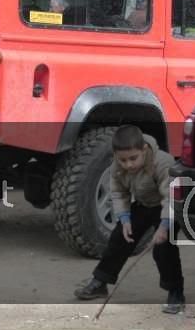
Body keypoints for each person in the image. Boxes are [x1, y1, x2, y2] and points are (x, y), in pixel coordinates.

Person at [74, 125, 186, 314]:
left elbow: (170, 198)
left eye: (133, 158)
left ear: (144, 149)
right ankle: (100, 282)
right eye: (123, 160)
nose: (128, 165)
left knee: (164, 249)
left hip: (168, 208)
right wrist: (125, 219)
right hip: (144, 204)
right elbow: (119, 193)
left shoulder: (163, 162)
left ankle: (176, 293)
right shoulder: (117, 166)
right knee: (119, 238)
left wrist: (164, 227)